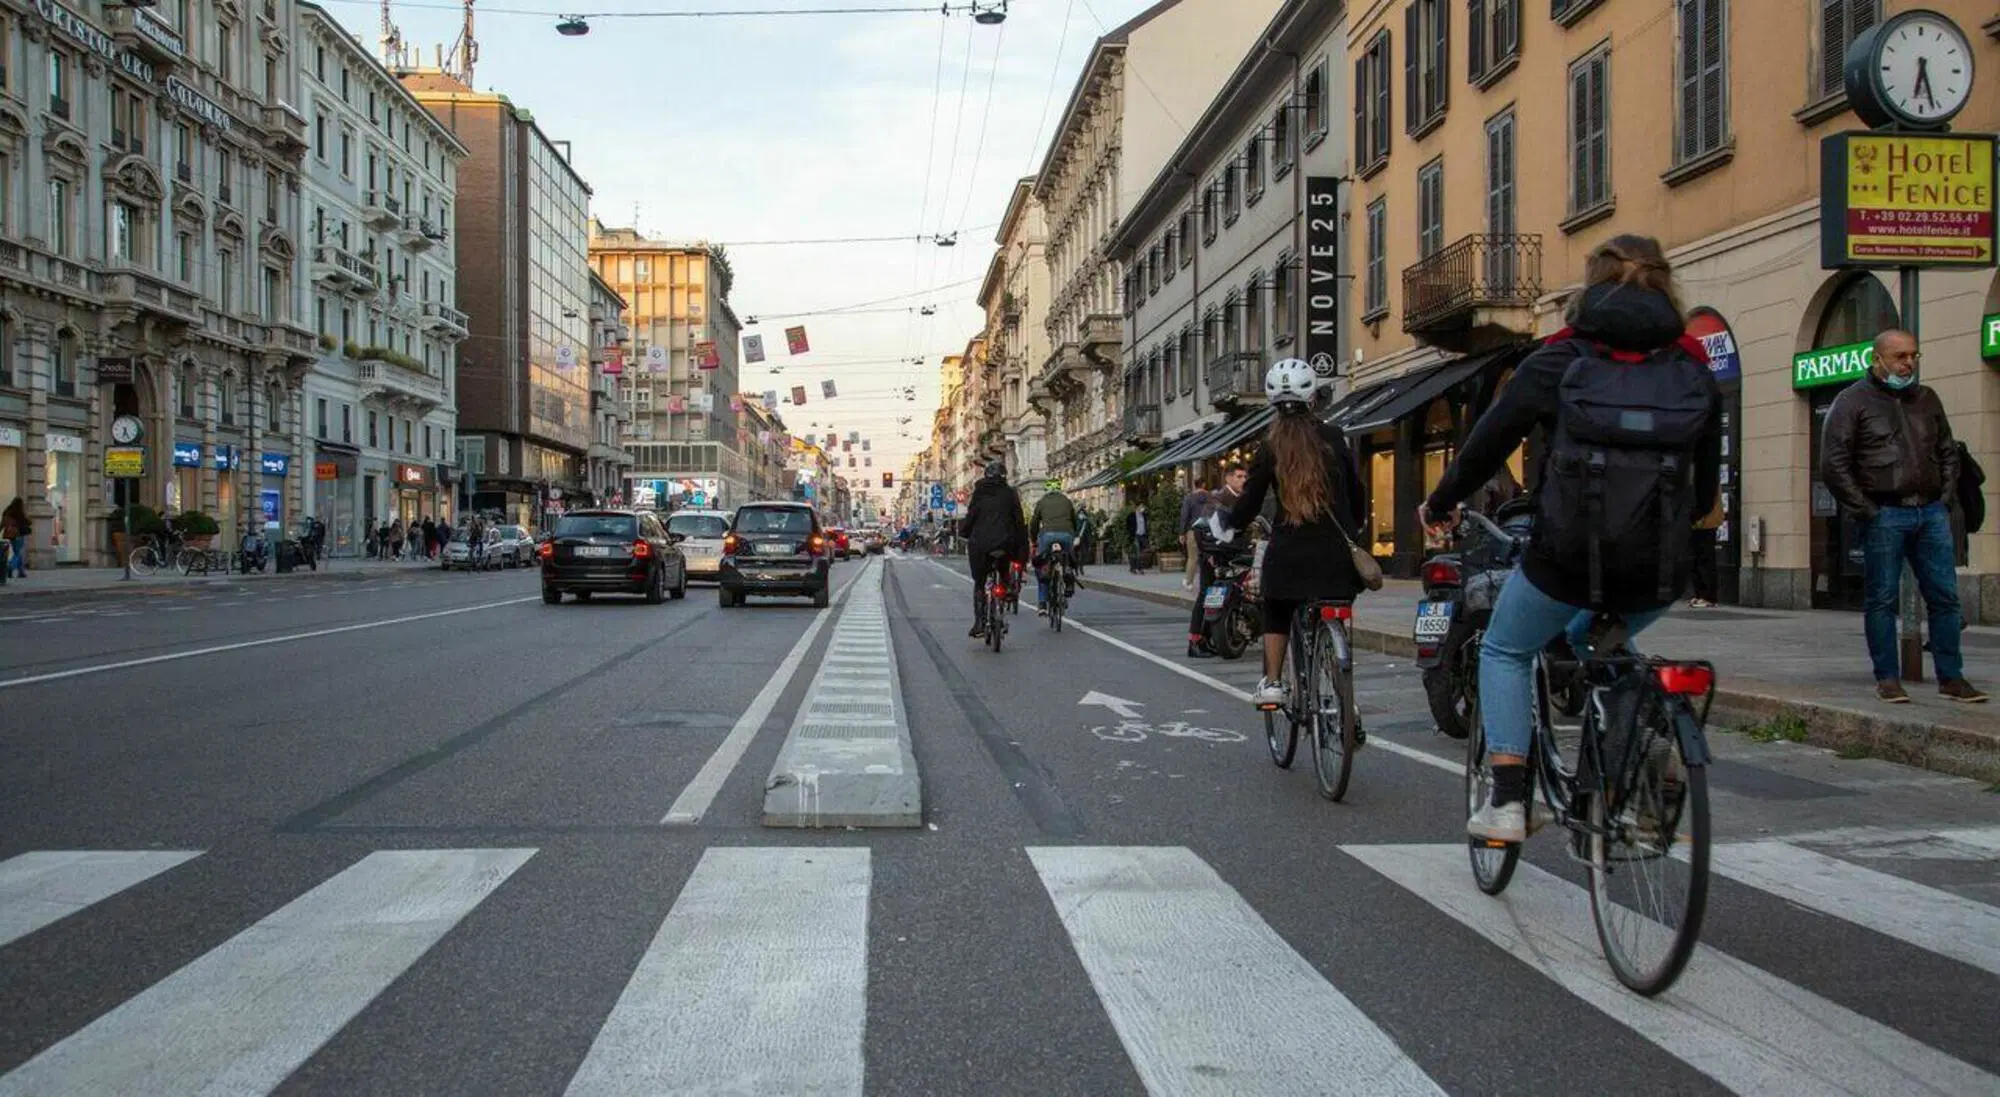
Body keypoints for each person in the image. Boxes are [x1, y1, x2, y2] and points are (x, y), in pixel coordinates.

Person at [1420, 234, 1722, 843]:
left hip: (1568, 558)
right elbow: (1705, 487)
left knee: (1505, 649)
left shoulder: (1558, 359)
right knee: (1601, 643)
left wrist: (1442, 501)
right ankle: (1640, 742)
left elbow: (1487, 444)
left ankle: (1508, 799)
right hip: (1659, 566)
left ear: (1593, 284)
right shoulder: (1693, 366)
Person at [1821, 327, 1986, 704]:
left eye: (1914, 355)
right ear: (1877, 359)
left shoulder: (1927, 399)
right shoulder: (1852, 401)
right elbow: (1833, 464)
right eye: (1900, 356)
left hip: (1930, 512)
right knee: (1881, 599)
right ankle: (1888, 678)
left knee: (1945, 598)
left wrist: (1945, 496)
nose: (1908, 363)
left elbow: (1947, 451)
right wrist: (1867, 510)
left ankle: (1951, 677)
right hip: (1884, 514)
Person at [1213, 359, 1369, 708]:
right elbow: (1357, 491)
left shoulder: (1270, 447)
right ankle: (1346, 700)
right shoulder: (1334, 437)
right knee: (1334, 608)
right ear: (1312, 397)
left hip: (1289, 555)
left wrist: (1231, 525)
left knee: (1276, 607)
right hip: (1337, 556)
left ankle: (1272, 683)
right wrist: (1356, 528)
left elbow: (1250, 501)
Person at [959, 460, 1029, 637]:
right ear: (1004, 476)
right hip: (1005, 544)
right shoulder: (1010, 493)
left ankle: (979, 623)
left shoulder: (979, 493)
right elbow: (1019, 520)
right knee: (1004, 570)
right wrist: (1022, 547)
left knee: (979, 582)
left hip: (981, 545)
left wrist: (964, 532)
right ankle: (1006, 589)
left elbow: (971, 516)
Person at [1187, 464, 1248, 657]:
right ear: (1228, 478)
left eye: (1244, 477)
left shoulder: (1244, 498)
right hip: (1214, 556)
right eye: (1239, 476)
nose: (1243, 480)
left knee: (1220, 597)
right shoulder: (1218, 498)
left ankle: (1209, 638)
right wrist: (1209, 555)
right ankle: (1195, 641)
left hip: (1233, 554)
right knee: (1206, 595)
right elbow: (1204, 528)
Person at [1029, 478, 1080, 615]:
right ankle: (1068, 575)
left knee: (1042, 565)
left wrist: (1033, 539)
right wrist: (1074, 534)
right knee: (1068, 556)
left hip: (1047, 536)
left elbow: (1034, 522)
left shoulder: (1042, 501)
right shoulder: (1067, 501)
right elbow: (1074, 520)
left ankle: (1042, 603)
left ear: (1047, 490)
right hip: (1066, 534)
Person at [1179, 480, 1211, 592]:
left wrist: (1182, 532)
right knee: (1209, 557)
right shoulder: (1211, 497)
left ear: (1194, 485)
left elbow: (1184, 516)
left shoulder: (1189, 498)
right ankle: (1208, 582)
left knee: (1192, 557)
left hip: (1193, 530)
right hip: (1208, 530)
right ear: (1204, 485)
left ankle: (1189, 582)